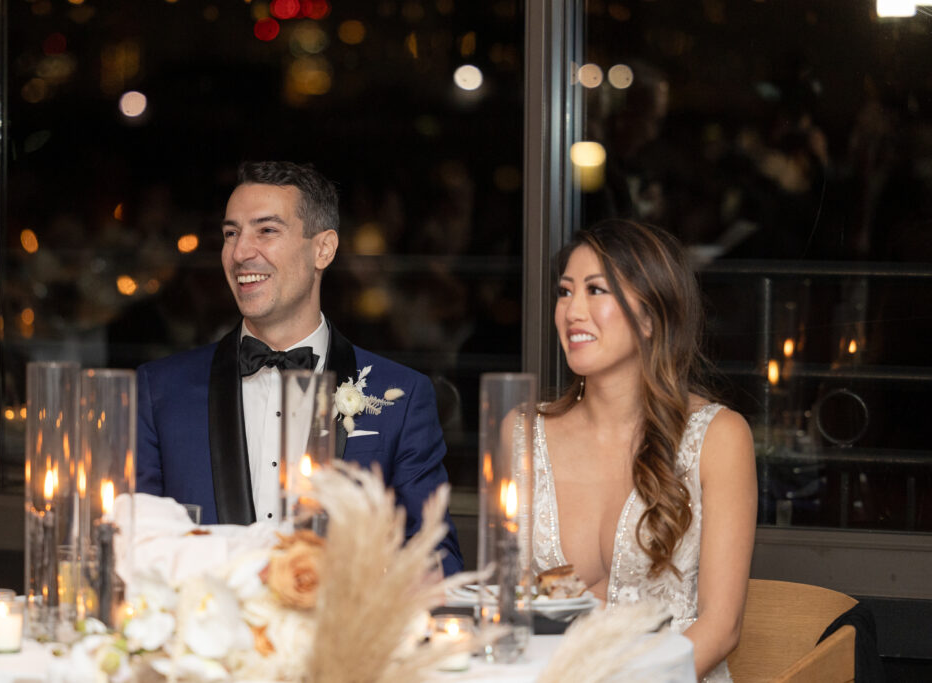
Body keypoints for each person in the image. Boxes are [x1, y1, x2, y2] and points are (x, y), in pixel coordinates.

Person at [136, 161, 464, 575]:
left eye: (266, 231)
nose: (240, 253)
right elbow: (136, 547)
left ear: (323, 249)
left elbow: (438, 561)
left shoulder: (401, 396)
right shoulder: (160, 391)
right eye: (231, 233)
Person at [533, 220, 756, 680]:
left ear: (652, 317)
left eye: (596, 290)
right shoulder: (522, 433)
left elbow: (721, 627)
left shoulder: (718, 437)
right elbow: (510, 600)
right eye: (564, 291)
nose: (572, 310)